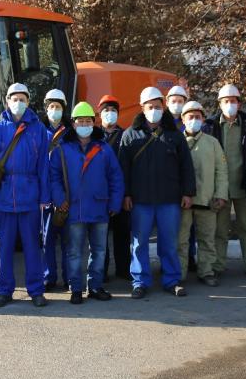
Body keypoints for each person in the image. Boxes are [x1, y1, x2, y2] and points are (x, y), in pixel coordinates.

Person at [119, 87, 195, 298]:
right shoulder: (129, 135)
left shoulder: (174, 135)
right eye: (150, 107)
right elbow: (123, 169)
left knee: (169, 242)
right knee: (139, 242)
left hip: (169, 199)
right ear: (142, 108)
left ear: (164, 108)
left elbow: (186, 166)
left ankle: (172, 280)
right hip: (140, 200)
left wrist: (188, 192)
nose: (154, 110)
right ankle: (140, 282)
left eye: (158, 107)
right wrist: (125, 194)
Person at [50, 102, 124, 304]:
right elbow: (54, 177)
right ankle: (75, 288)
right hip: (73, 208)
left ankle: (95, 286)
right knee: (74, 251)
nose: (84, 124)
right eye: (80, 121)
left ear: (94, 122)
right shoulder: (62, 149)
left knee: (99, 250)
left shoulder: (104, 148)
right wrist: (59, 200)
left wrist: (115, 203)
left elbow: (115, 177)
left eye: (88, 121)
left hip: (100, 207)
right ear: (73, 124)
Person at [0, 83, 49, 308]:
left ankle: (36, 290)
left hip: (30, 197)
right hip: (3, 197)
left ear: (29, 102)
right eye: (14, 99)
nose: (18, 103)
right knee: (5, 247)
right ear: (7, 101)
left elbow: (43, 166)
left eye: (22, 99)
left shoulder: (39, 129)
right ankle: (4, 291)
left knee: (33, 247)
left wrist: (44, 197)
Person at [203, 84, 246, 280]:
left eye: (233, 101)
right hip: (219, 187)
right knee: (219, 229)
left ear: (239, 103)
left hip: (244, 185)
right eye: (226, 101)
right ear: (219, 104)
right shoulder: (210, 126)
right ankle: (217, 265)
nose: (230, 104)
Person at [178, 102, 228, 286]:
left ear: (203, 119)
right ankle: (180, 274)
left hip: (207, 200)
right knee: (181, 241)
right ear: (183, 119)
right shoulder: (176, 141)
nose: (194, 120)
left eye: (197, 117)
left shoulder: (212, 143)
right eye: (190, 117)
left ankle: (206, 271)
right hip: (183, 202)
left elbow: (221, 171)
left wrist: (221, 195)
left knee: (207, 239)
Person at [98, 94, 131, 280]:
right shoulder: (93, 136)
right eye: (106, 111)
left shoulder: (126, 135)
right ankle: (101, 270)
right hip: (100, 194)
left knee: (122, 233)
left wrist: (127, 194)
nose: (110, 114)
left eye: (113, 111)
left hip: (121, 193)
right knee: (100, 235)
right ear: (100, 114)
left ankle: (123, 269)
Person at [42, 88, 70, 291]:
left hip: (66, 195)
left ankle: (70, 277)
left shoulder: (71, 134)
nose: (54, 110)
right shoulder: (38, 133)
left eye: (58, 107)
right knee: (46, 239)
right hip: (45, 196)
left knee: (68, 241)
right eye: (51, 107)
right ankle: (48, 277)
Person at [167, 84, 197, 272]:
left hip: (188, 179)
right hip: (169, 181)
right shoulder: (163, 123)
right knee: (171, 226)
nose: (177, 104)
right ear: (167, 102)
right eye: (174, 101)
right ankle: (171, 260)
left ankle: (190, 257)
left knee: (189, 224)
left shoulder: (192, 121)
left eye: (180, 101)